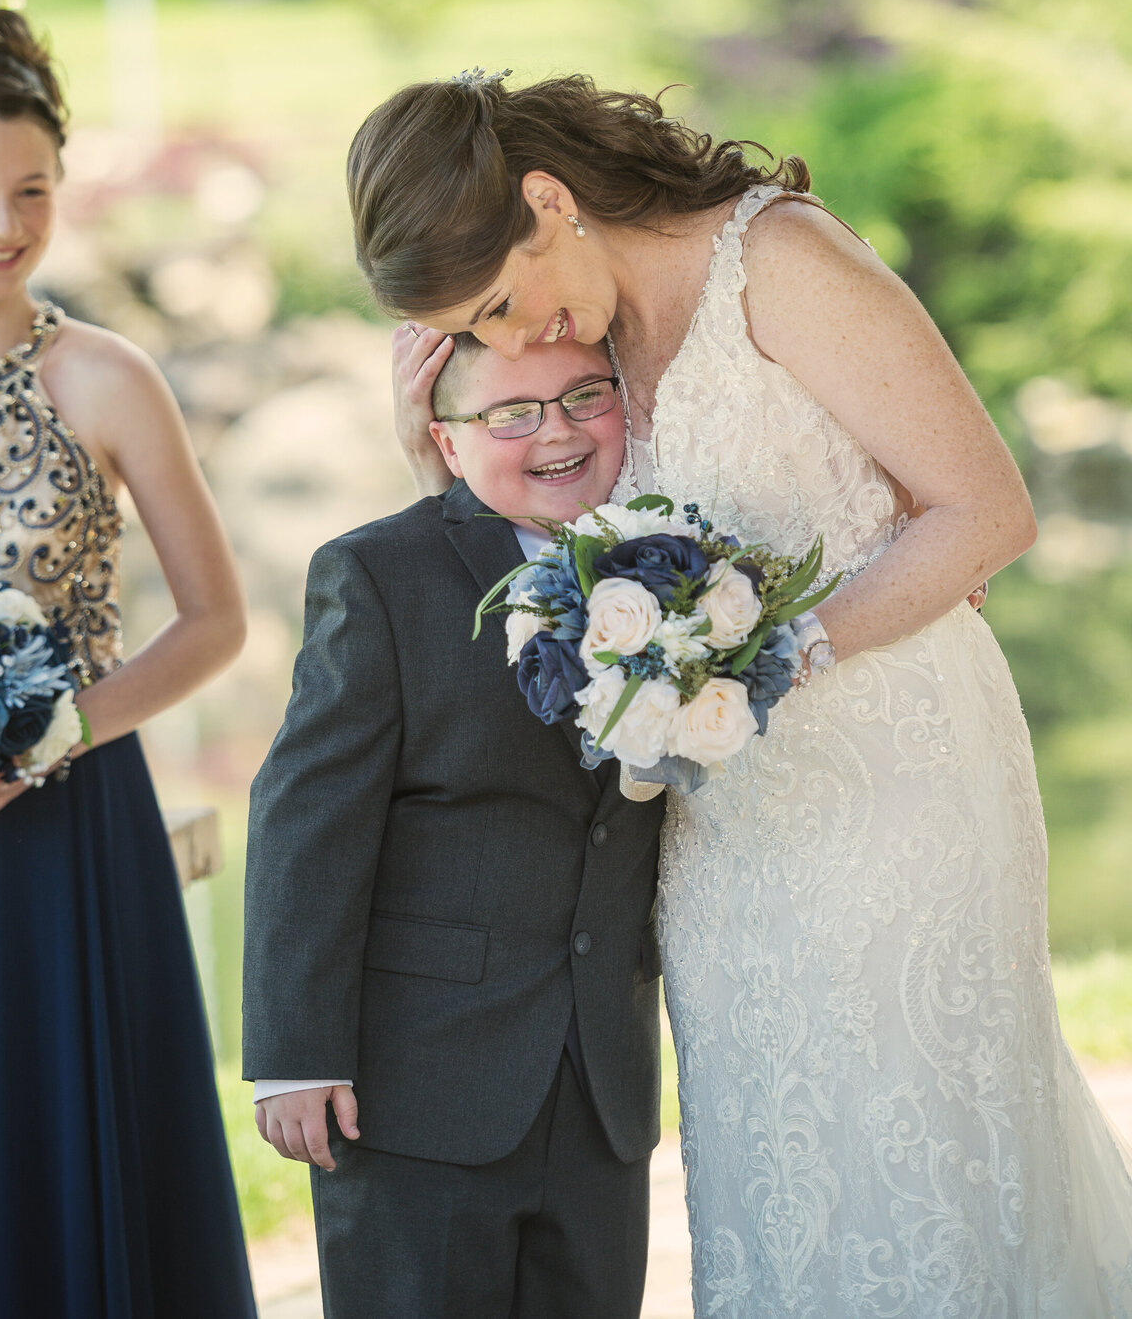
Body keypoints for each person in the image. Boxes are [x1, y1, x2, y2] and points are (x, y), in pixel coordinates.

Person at [350, 67, 1132, 1317]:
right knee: (780, 1157)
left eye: (502, 302)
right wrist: (427, 452)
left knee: (916, 1136)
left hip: (896, 776)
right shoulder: (586, 338)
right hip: (723, 825)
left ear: (549, 200)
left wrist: (780, 654)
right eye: (477, 334)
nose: (513, 344)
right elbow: (579, 561)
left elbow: (987, 511)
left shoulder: (782, 262)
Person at [0, 0, 256, 1319]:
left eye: (32, 190)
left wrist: (57, 728)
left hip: (71, 836)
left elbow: (216, 618)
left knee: (74, 1159)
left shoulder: (106, 378)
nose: (3, 223)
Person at [243, 333, 664, 1319]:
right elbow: (308, 822)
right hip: (417, 1086)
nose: (556, 431)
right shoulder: (381, 573)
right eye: (511, 413)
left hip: (603, 1083)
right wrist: (297, 1053)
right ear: (445, 439)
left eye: (584, 396)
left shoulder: (680, 568)